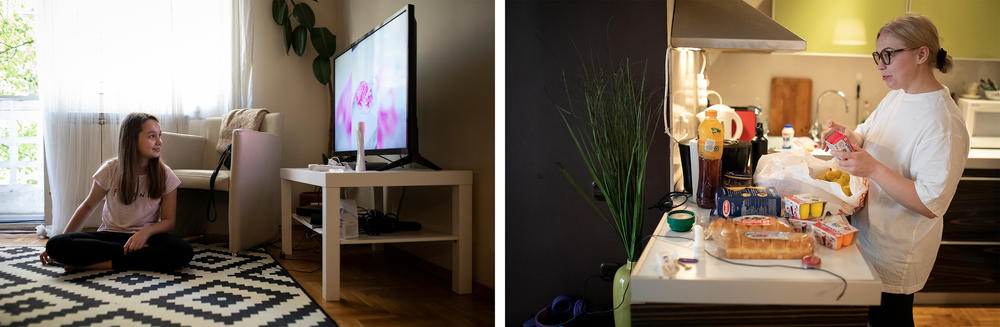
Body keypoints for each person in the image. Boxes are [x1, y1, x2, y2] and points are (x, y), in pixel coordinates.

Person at [820, 14, 969, 327]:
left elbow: (930, 203)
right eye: (878, 56)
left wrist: (872, 168)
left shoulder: (943, 123)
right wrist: (848, 136)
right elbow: (867, 131)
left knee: (892, 320)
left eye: (888, 55)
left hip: (898, 251)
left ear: (921, 54)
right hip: (869, 237)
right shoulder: (898, 96)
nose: (880, 64)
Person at [39, 112, 193, 272]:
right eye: (152, 136)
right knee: (56, 244)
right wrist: (61, 238)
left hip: (146, 238)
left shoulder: (165, 174)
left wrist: (145, 233)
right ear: (132, 139)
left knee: (183, 251)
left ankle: (101, 264)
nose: (159, 142)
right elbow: (87, 206)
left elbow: (169, 220)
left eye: (159, 136)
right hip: (109, 237)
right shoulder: (111, 169)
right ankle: (137, 258)